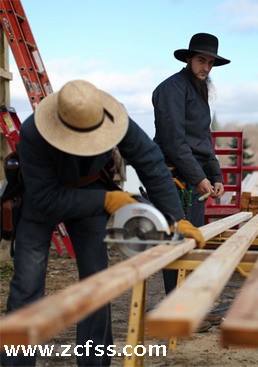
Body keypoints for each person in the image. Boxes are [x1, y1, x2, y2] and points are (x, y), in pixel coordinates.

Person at [1, 80, 204, 367]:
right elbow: (46, 200)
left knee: (97, 284)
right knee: (27, 285)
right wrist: (107, 201)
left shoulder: (115, 116)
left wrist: (176, 218)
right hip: (42, 197)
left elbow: (151, 163)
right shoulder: (33, 132)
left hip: (91, 190)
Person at [152, 32, 229, 292]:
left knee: (193, 240)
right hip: (172, 178)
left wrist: (216, 175)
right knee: (176, 242)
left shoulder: (200, 89)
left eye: (210, 62)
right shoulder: (170, 89)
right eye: (200, 60)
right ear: (188, 59)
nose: (205, 67)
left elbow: (203, 139)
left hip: (191, 177)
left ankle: (185, 303)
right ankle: (176, 309)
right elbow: (174, 141)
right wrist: (198, 177)